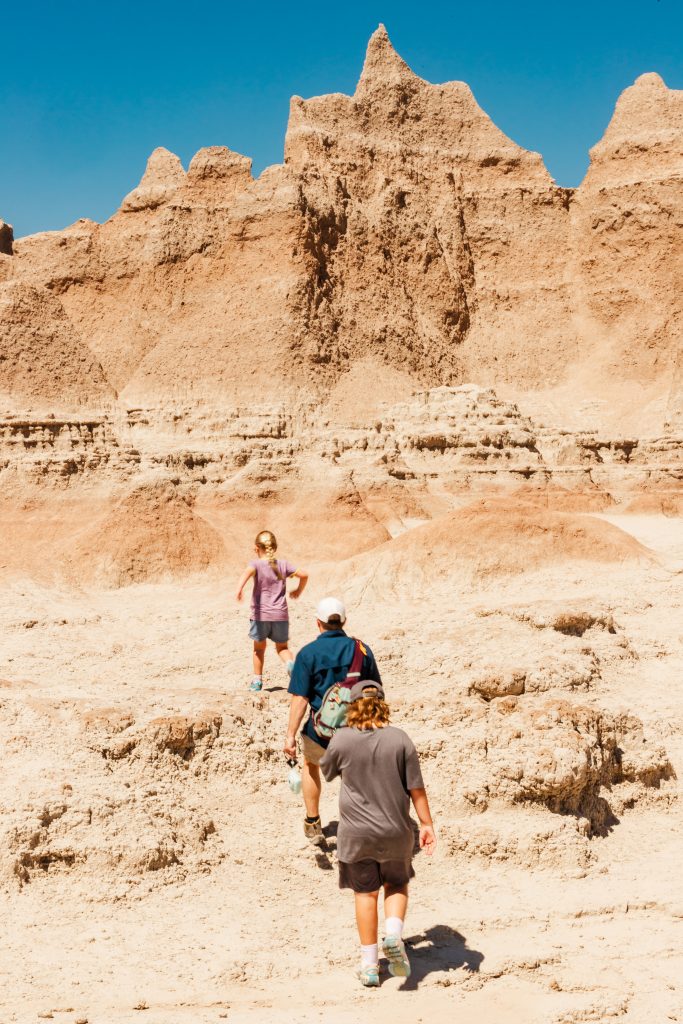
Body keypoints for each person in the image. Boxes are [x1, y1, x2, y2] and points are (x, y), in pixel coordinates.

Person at [321, 681, 436, 987]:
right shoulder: (400, 739)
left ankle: (370, 965)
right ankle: (394, 936)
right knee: (396, 884)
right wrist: (427, 824)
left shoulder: (343, 739)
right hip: (396, 830)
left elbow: (326, 772)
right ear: (383, 703)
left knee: (365, 893)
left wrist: (333, 732)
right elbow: (416, 789)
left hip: (356, 834)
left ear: (353, 705)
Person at [283, 597, 381, 843]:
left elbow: (300, 699)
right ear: (344, 621)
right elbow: (376, 692)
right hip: (355, 731)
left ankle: (313, 822)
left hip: (320, 731)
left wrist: (290, 736)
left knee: (310, 766)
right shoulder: (362, 650)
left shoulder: (307, 654)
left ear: (318, 623)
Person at [235, 530, 308, 692]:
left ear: (256, 548)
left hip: (260, 616)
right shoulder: (283, 564)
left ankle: (257, 682)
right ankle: (291, 666)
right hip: (280, 615)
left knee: (259, 649)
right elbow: (304, 575)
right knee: (282, 648)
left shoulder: (255, 564)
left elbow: (246, 574)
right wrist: (298, 591)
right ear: (274, 547)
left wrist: (239, 589)